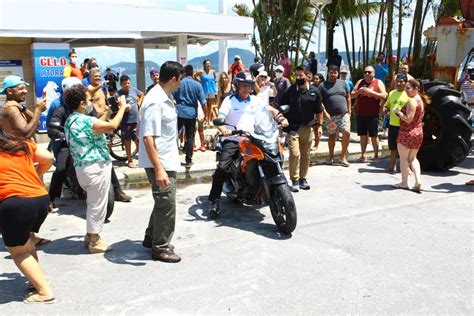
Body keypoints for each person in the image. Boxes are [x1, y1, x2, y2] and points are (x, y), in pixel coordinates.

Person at [207, 71, 289, 219]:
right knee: (222, 167)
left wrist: (280, 117)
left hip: (255, 137)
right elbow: (220, 117)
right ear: (237, 85)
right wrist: (224, 129)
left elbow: (269, 110)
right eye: (243, 85)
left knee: (274, 155)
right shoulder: (229, 101)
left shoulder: (255, 100)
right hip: (234, 138)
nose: (246, 88)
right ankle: (214, 201)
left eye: (249, 85)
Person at [64, 84, 126, 253]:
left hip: (82, 168)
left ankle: (89, 236)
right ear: (82, 104)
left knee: (93, 202)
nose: (91, 102)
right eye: (89, 100)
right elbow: (112, 126)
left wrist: (107, 112)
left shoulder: (71, 120)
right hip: (95, 167)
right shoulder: (87, 120)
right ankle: (94, 240)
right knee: (97, 205)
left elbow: (98, 127)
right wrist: (122, 108)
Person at [0, 129, 55, 304]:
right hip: (40, 199)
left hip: (15, 203)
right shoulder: (19, 143)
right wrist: (35, 176)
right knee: (26, 240)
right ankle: (35, 281)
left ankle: (44, 292)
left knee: (18, 251)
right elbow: (48, 159)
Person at [138, 61, 185, 263]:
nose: (180, 84)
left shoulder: (163, 97)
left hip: (166, 158)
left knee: (162, 202)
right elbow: (148, 137)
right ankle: (160, 247)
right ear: (174, 79)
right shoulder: (155, 101)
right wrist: (159, 169)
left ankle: (152, 237)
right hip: (160, 162)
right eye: (180, 80)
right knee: (167, 203)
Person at [280, 66, 324, 192]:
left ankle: (302, 178)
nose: (298, 78)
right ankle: (294, 179)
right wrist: (283, 119)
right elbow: (281, 106)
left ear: (307, 75)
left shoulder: (315, 91)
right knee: (295, 153)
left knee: (306, 155)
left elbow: (319, 110)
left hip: (307, 127)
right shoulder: (290, 90)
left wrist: (319, 126)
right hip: (293, 127)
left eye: (301, 75)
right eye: (297, 75)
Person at [393, 79, 425, 193]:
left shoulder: (412, 101)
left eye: (408, 88)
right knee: (413, 158)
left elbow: (408, 119)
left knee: (403, 159)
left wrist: (399, 112)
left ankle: (404, 183)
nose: (406, 90)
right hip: (418, 132)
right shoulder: (420, 100)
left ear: (416, 88)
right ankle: (418, 180)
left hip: (407, 132)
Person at [351, 66, 387, 162]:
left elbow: (384, 96)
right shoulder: (360, 82)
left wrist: (372, 92)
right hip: (361, 113)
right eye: (365, 72)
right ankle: (363, 155)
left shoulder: (378, 82)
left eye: (369, 72)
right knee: (362, 136)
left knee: (374, 136)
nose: (367, 74)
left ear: (374, 73)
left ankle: (376, 155)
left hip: (373, 114)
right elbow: (352, 94)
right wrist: (359, 91)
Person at [173, 64, 207, 167]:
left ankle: (172, 156)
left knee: (174, 134)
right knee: (190, 136)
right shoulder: (197, 85)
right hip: (191, 113)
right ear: (192, 73)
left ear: (183, 73)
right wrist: (205, 114)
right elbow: (203, 102)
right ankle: (188, 160)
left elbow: (172, 97)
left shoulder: (179, 83)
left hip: (178, 111)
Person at [319, 65, 352, 166]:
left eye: (335, 72)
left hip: (344, 114)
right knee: (332, 136)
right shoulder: (322, 86)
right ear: (328, 73)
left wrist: (349, 111)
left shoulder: (343, 83)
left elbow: (348, 97)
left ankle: (343, 157)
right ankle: (331, 158)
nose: (333, 74)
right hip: (331, 116)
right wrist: (325, 113)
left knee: (347, 132)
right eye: (331, 72)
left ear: (338, 74)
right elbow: (320, 102)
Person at [115, 75, 144, 168]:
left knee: (138, 140)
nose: (127, 85)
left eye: (128, 83)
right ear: (121, 84)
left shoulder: (134, 90)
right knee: (127, 142)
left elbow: (142, 94)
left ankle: (142, 159)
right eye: (124, 83)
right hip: (125, 122)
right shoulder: (118, 94)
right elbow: (116, 107)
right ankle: (129, 160)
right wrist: (122, 109)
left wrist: (139, 103)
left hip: (136, 120)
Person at [384, 74, 410, 172]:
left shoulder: (408, 94)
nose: (399, 83)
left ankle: (407, 168)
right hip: (392, 124)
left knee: (405, 147)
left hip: (404, 125)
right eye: (397, 81)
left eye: (401, 81)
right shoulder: (391, 93)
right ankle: (392, 166)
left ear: (405, 82)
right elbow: (387, 105)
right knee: (393, 146)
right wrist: (385, 110)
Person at [194, 59, 217, 124]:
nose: (208, 65)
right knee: (204, 105)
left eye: (209, 63)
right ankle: (206, 117)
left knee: (210, 106)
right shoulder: (201, 72)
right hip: (204, 90)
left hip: (211, 90)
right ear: (204, 65)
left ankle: (208, 120)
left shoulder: (213, 72)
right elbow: (194, 76)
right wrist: (199, 82)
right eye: (207, 64)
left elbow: (214, 79)